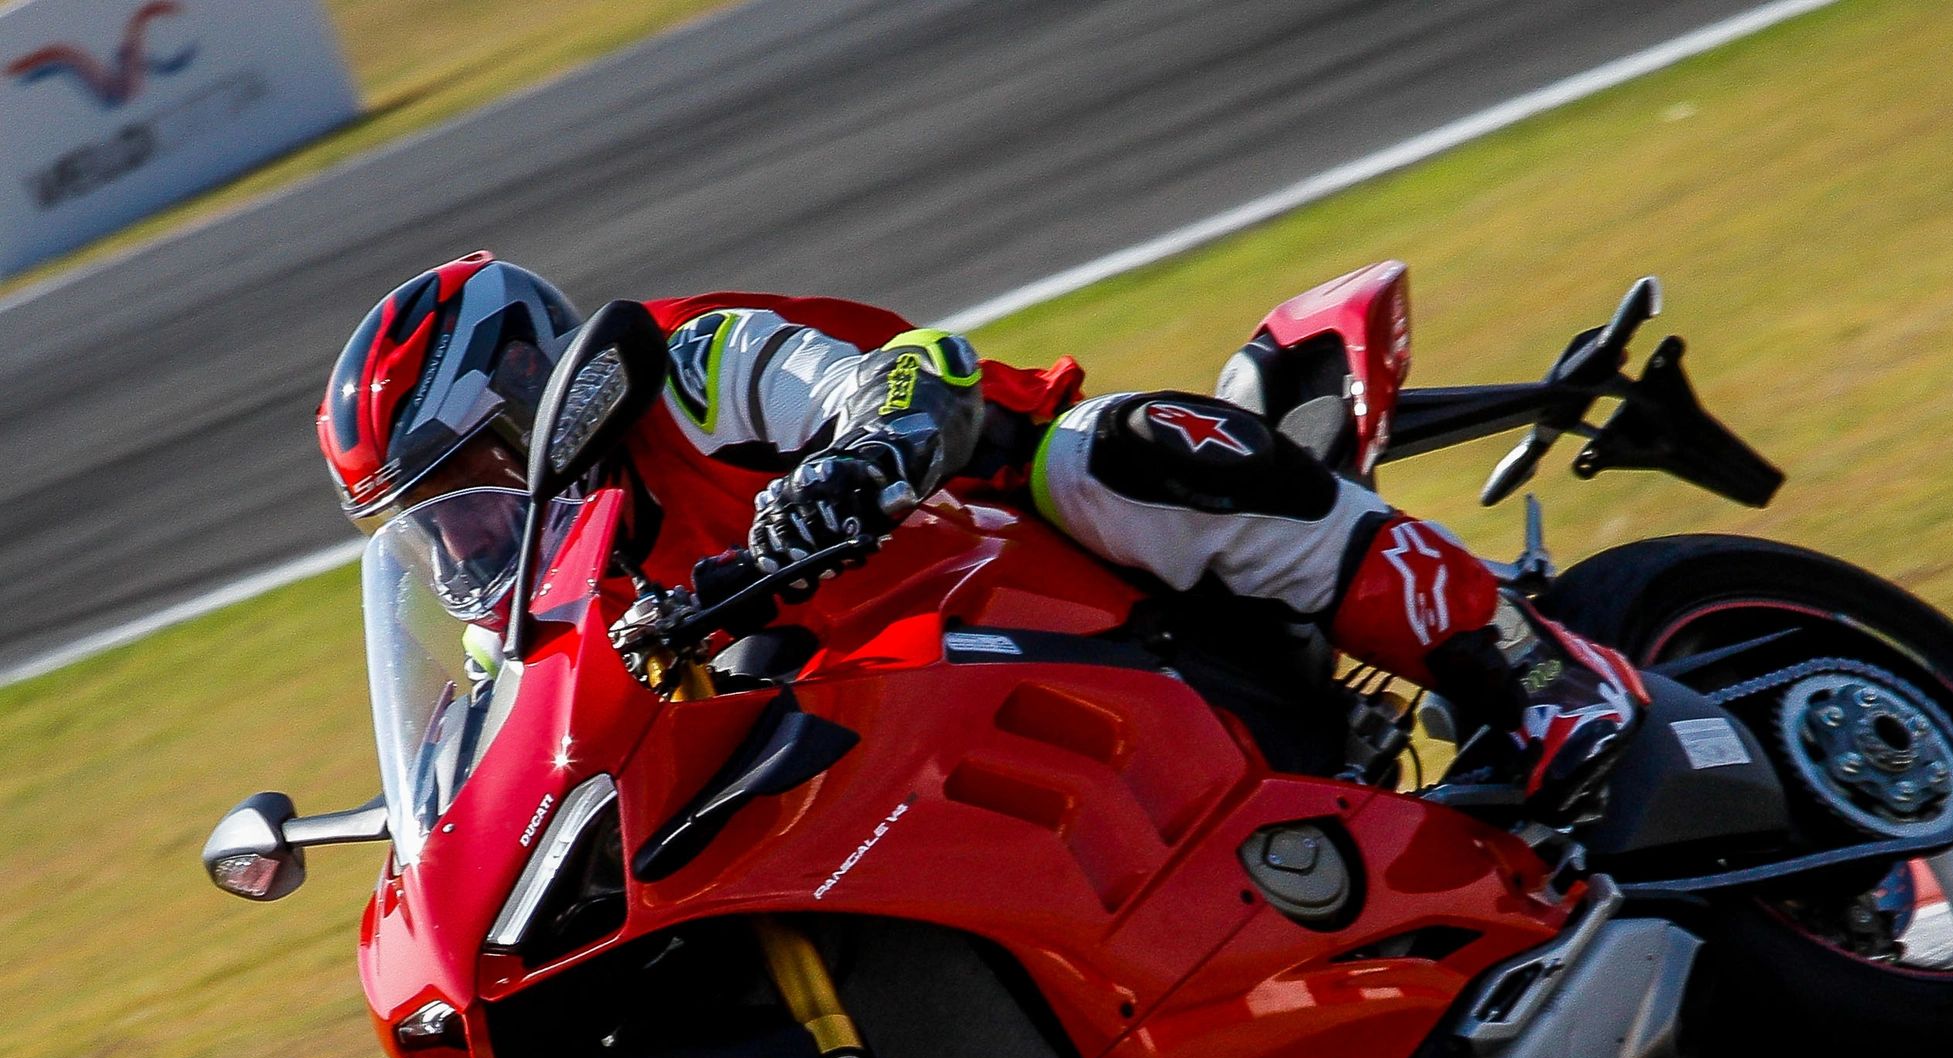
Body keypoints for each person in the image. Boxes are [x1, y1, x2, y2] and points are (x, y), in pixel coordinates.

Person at [317, 253, 1644, 821]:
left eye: (470, 485)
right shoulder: (539, 589)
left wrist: (853, 470)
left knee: (1121, 456)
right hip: (883, 717)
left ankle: (1541, 681)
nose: (464, 543)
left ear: (541, 393)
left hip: (1001, 541)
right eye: (424, 527)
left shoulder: (690, 360)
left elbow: (901, 376)